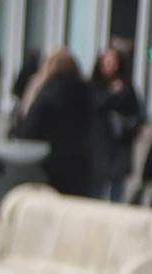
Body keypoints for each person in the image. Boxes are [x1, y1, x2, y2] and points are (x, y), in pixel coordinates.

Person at [15, 48, 96, 197]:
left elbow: (30, 129)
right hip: (80, 162)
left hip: (50, 163)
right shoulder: (86, 92)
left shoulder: (48, 92)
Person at [92, 48, 145, 201]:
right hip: (99, 142)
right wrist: (112, 93)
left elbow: (137, 114)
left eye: (113, 63)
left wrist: (132, 126)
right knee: (98, 188)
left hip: (120, 143)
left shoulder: (127, 87)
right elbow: (95, 106)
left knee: (116, 185)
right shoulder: (96, 85)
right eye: (107, 63)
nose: (110, 67)